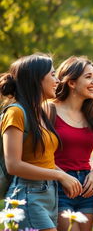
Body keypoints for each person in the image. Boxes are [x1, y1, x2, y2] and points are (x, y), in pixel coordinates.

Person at [0, 53, 82, 231]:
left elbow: (44, 159)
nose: (58, 80)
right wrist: (60, 176)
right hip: (27, 194)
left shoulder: (41, 114)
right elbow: (13, 165)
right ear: (36, 79)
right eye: (52, 75)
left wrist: (65, 177)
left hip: (49, 193)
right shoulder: (16, 113)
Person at [50, 56, 93, 231]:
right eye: (88, 77)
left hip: (87, 188)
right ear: (72, 83)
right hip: (58, 184)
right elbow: (37, 154)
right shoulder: (49, 110)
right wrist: (62, 176)